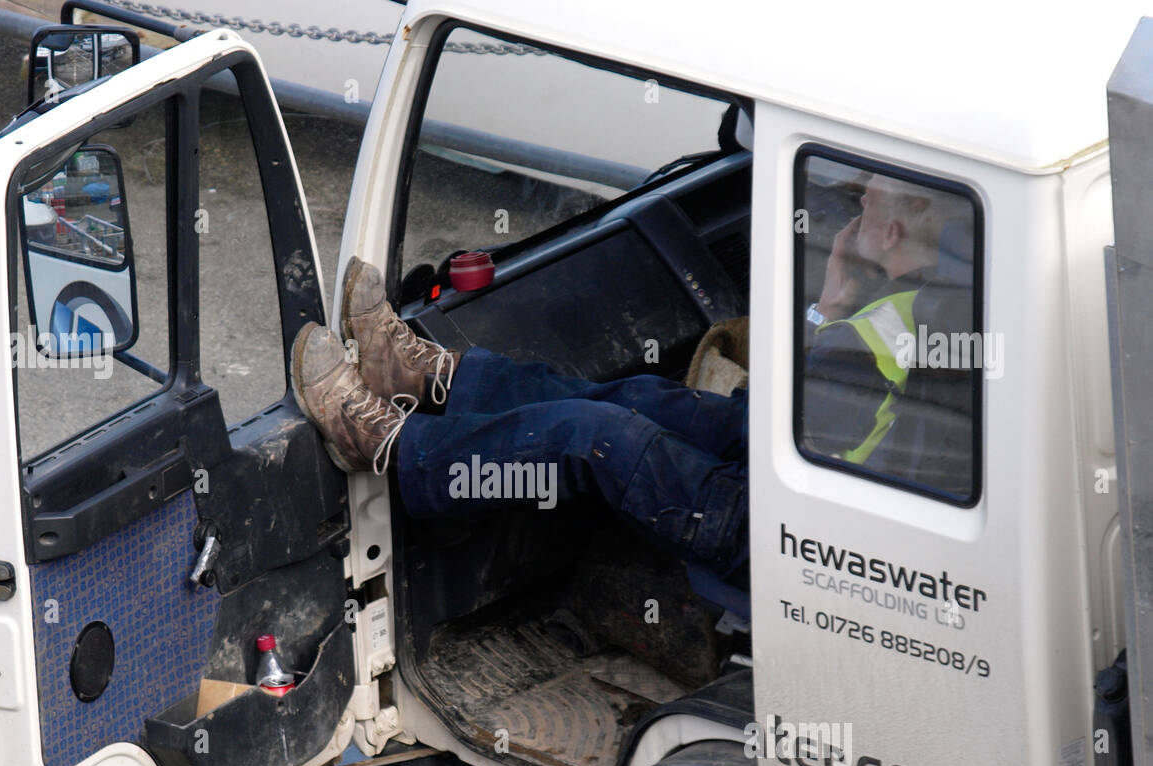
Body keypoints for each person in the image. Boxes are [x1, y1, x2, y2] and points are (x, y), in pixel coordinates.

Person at [290, 258, 750, 580]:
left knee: (596, 436)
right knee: (651, 399)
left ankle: (384, 443)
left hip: (761, 532)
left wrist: (828, 306)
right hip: (776, 458)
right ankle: (421, 377)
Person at [801, 173, 972, 489]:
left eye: (869, 200)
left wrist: (823, 312)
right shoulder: (947, 298)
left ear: (891, 234)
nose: (860, 203)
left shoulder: (863, 336)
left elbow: (771, 424)